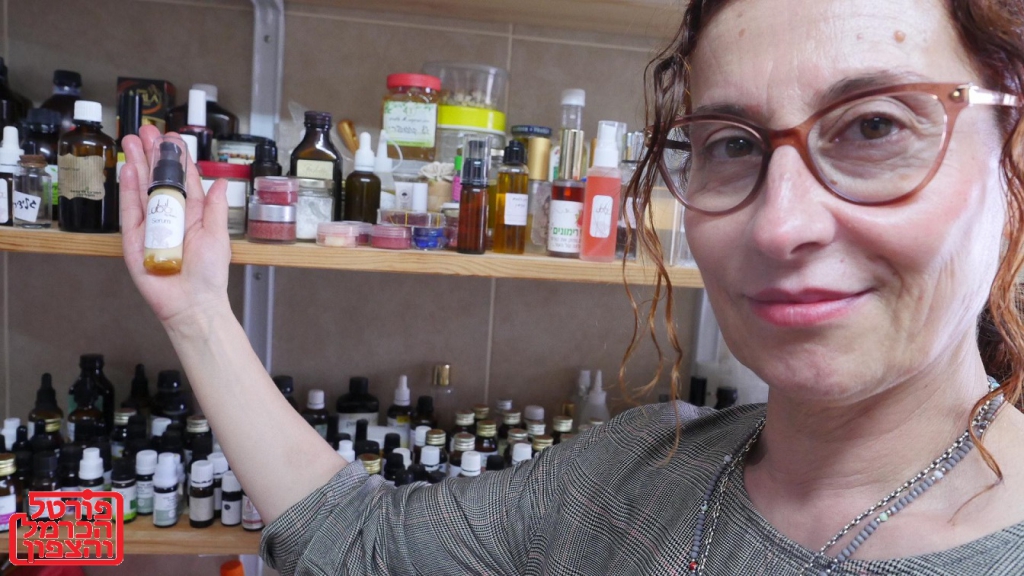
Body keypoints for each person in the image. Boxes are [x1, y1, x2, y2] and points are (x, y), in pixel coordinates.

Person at [118, 0, 1024, 573]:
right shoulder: (630, 473)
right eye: (732, 144)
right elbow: (360, 542)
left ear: (1012, 159)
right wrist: (198, 312)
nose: (781, 224)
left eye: (873, 127)